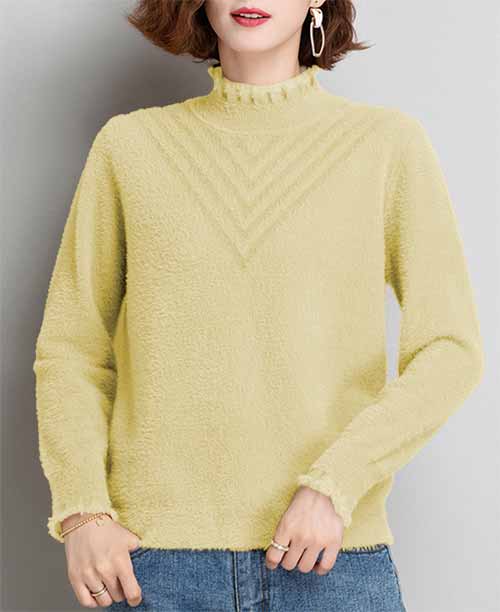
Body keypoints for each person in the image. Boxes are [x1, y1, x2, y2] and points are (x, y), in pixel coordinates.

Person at [32, 1, 484, 610]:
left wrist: (337, 483)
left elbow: (450, 349)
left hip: (332, 561)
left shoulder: (386, 146)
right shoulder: (130, 148)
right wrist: (82, 512)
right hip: (154, 566)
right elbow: (72, 349)